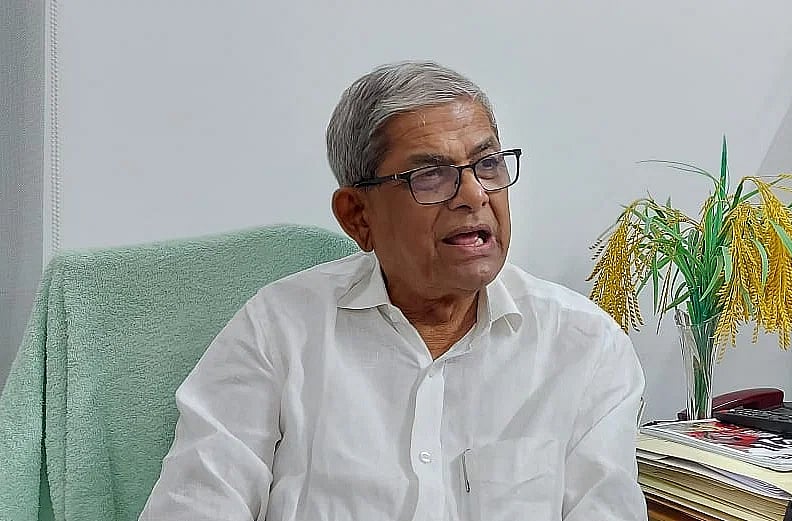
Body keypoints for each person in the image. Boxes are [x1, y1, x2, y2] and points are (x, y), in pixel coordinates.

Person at [139, 61, 647, 521]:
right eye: (431, 176)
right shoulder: (278, 331)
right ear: (358, 216)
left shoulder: (584, 346)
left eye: (487, 164)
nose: (473, 196)